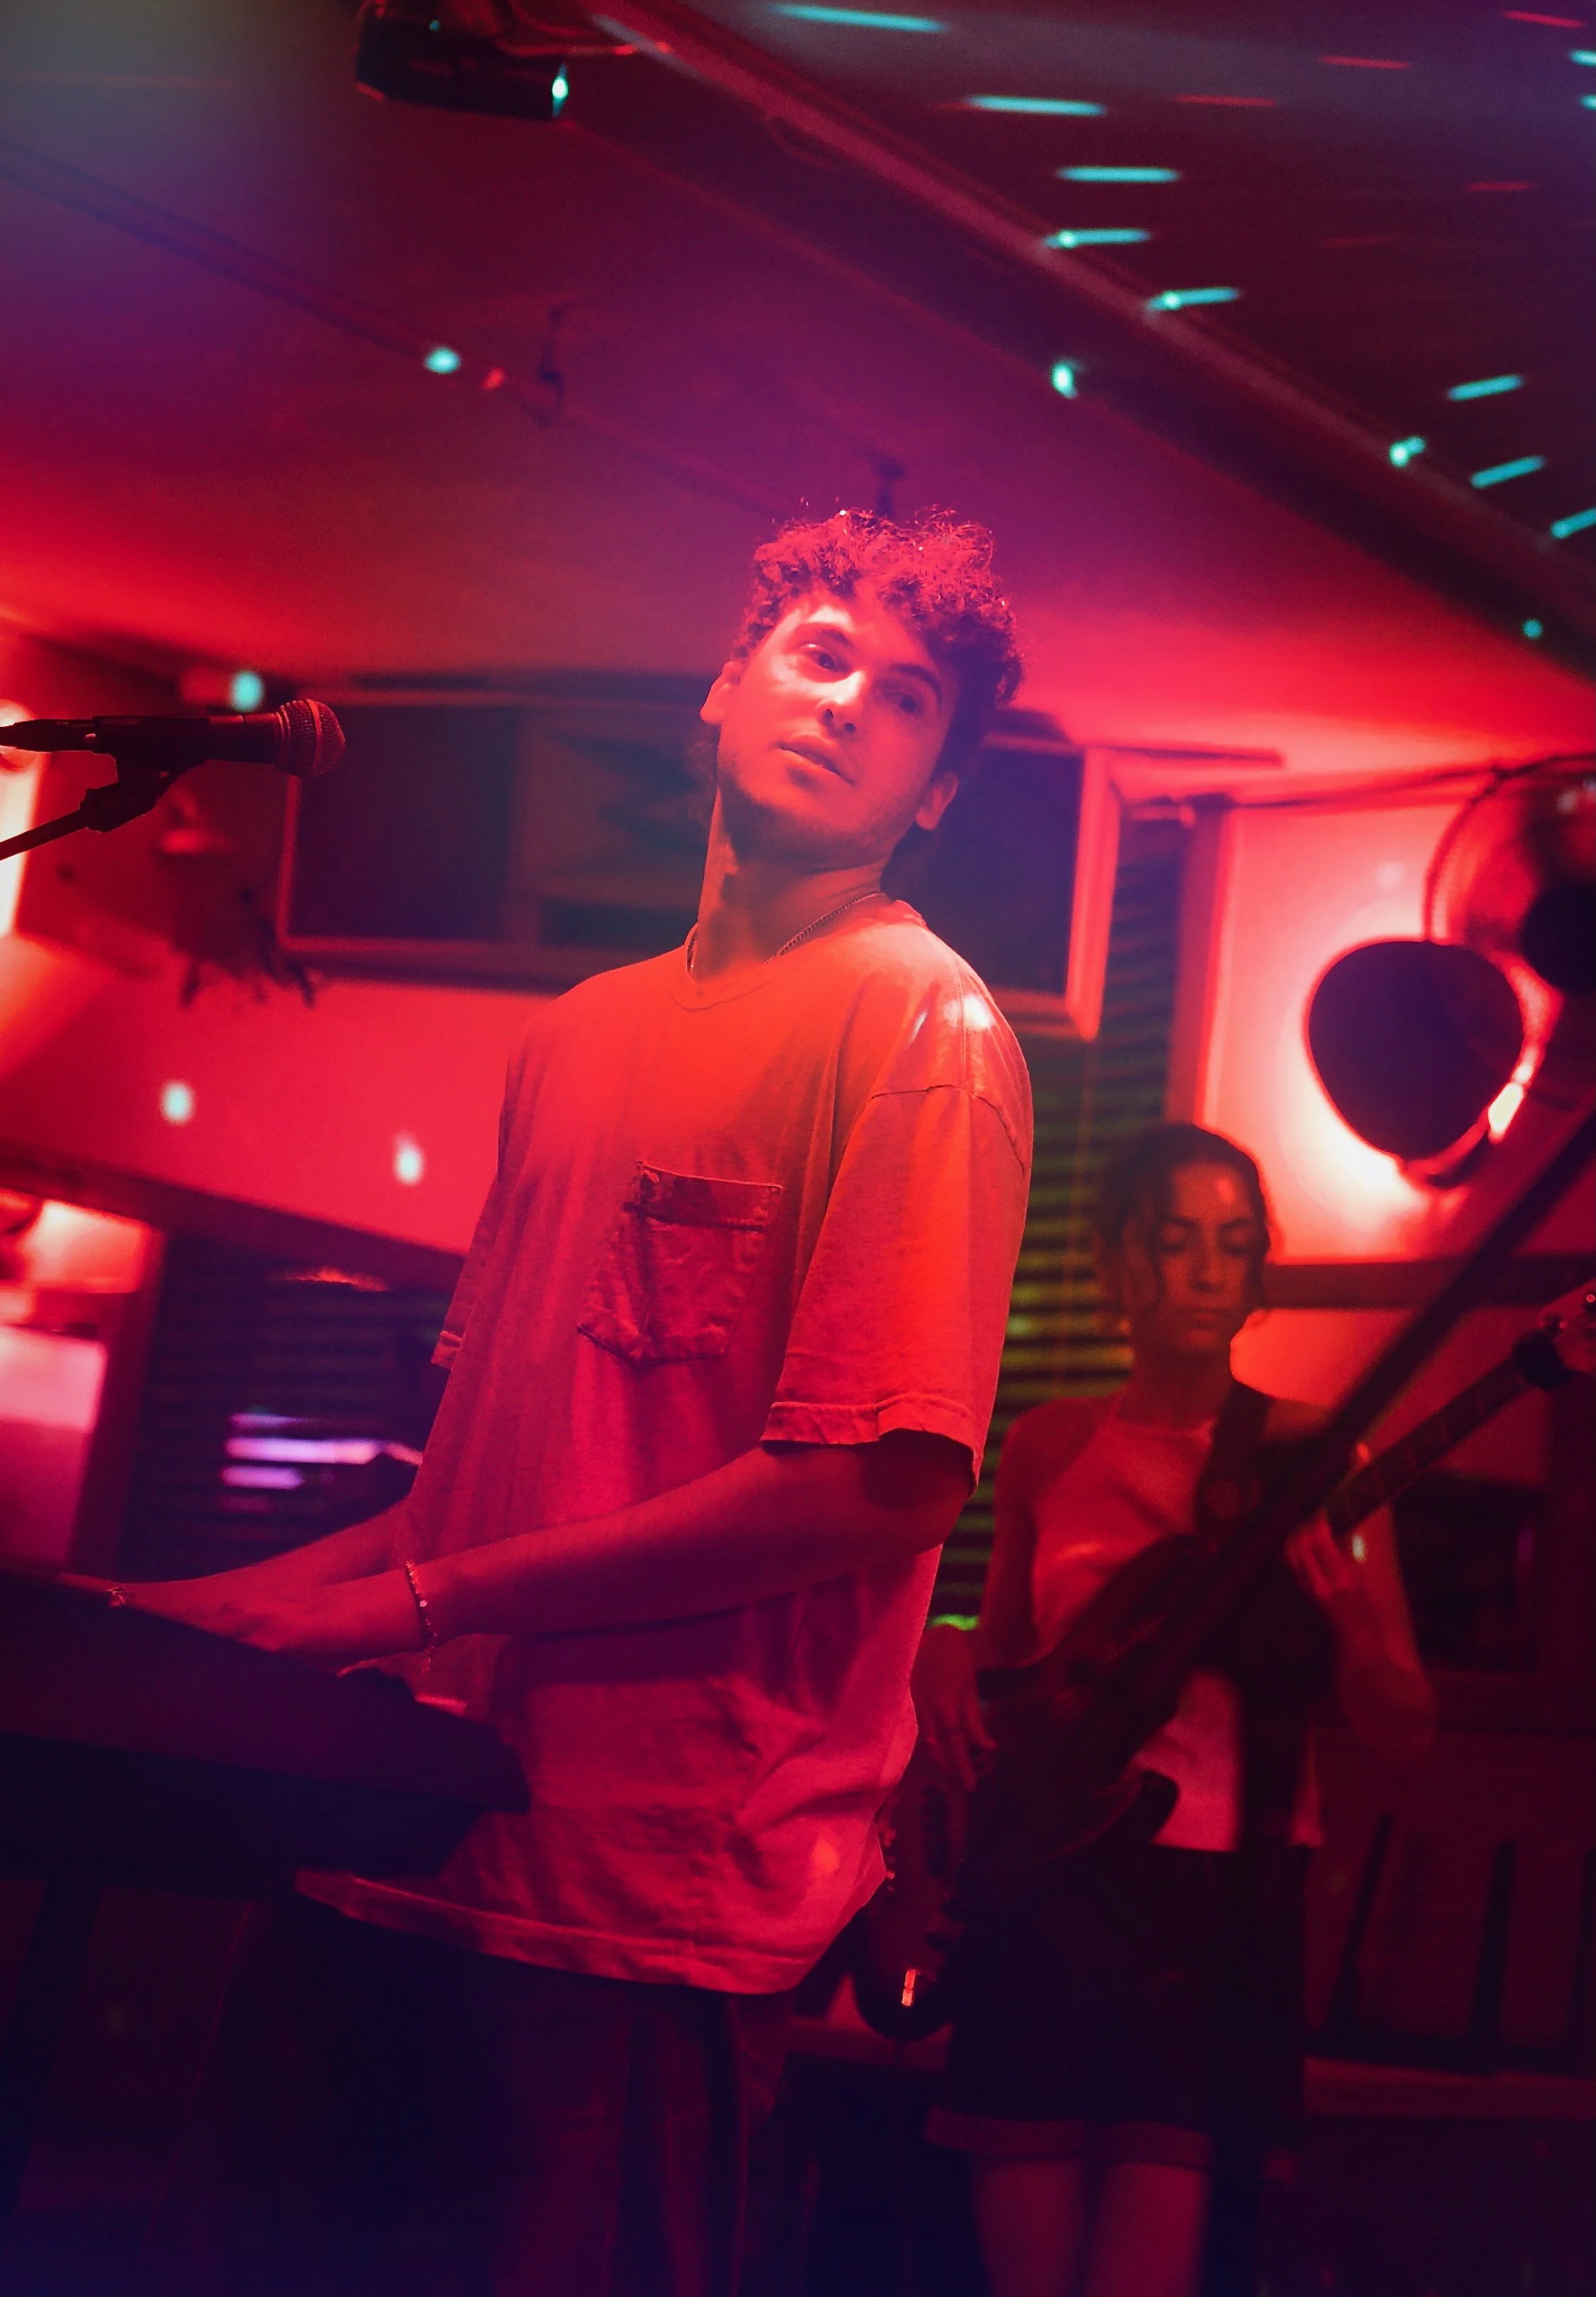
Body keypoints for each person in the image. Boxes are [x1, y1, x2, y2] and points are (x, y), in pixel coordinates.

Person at [133, 509, 1033, 2297]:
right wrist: (215, 1621)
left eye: (909, 697)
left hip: (636, 1908)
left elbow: (878, 1489)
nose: (850, 704)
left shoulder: (920, 1027)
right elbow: (490, 1481)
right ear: (723, 684)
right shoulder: (572, 1032)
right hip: (395, 1831)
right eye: (818, 651)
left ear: (936, 793)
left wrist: (411, 1605)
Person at [912, 1122, 1435, 2297]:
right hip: (1048, 1882)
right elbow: (1006, 1663)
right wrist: (939, 1648)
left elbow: (1406, 1726)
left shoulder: (1315, 1452)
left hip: (1217, 1898)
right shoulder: (1049, 1445)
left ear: (1258, 1274)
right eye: (1176, 1240)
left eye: (1233, 1245)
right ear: (1112, 1264)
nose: (1206, 1270)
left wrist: (1350, 1622)